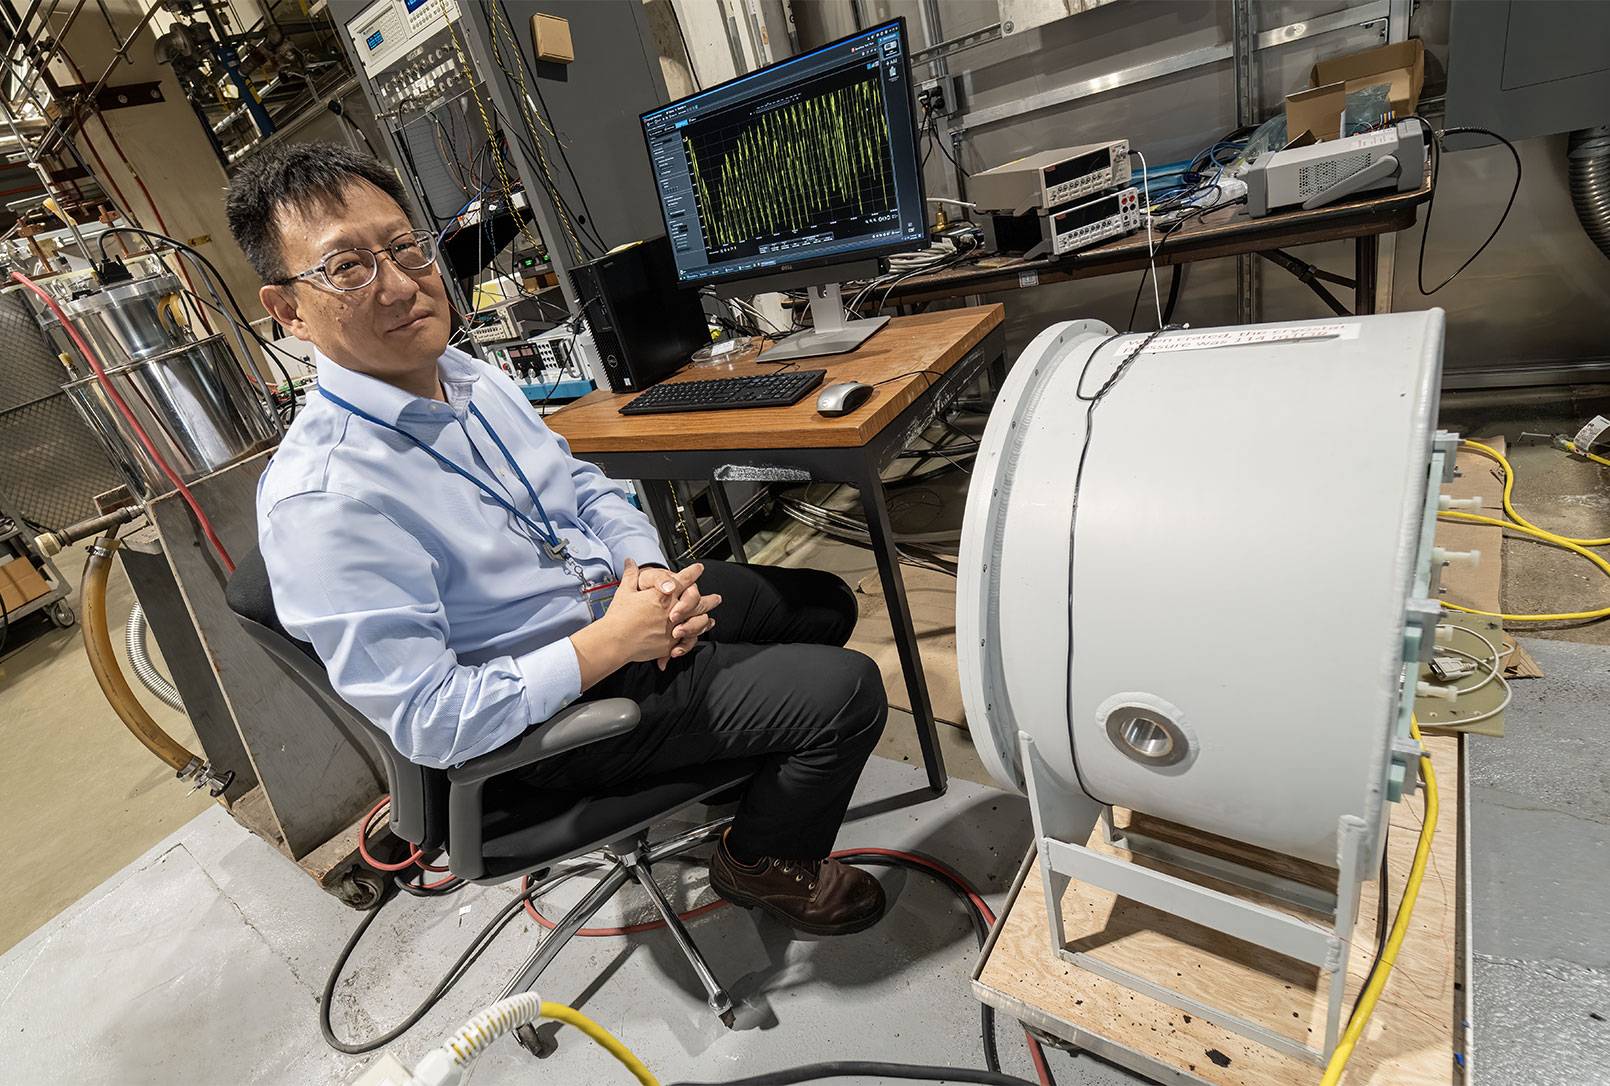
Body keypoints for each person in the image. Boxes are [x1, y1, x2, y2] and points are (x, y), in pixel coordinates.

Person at [225, 142, 887, 935]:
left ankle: (729, 777)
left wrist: (643, 570)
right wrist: (610, 645)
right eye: (347, 268)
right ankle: (758, 863)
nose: (401, 285)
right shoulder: (326, 498)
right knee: (847, 693)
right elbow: (434, 722)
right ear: (288, 310)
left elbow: (579, 488)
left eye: (404, 247)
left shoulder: (467, 376)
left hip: (611, 613)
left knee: (815, 603)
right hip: (550, 711)